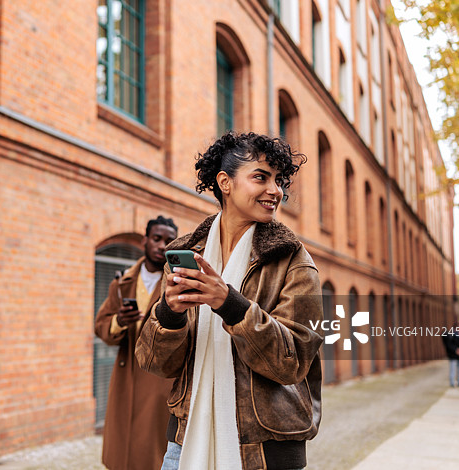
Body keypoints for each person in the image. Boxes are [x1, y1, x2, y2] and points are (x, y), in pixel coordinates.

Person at [136, 132, 323, 470]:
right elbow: (154, 363)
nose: (275, 190)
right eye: (260, 177)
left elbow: (293, 362)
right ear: (225, 182)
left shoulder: (293, 259)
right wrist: (170, 313)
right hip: (185, 442)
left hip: (265, 450)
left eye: (279, 180)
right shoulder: (185, 253)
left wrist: (231, 305)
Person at [94, 216, 179, 470]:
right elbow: (101, 326)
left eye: (168, 240)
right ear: (145, 240)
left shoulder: (177, 283)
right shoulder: (122, 282)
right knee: (123, 449)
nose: (161, 245)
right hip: (125, 378)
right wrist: (119, 320)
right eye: (156, 238)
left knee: (152, 452)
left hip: (160, 381)